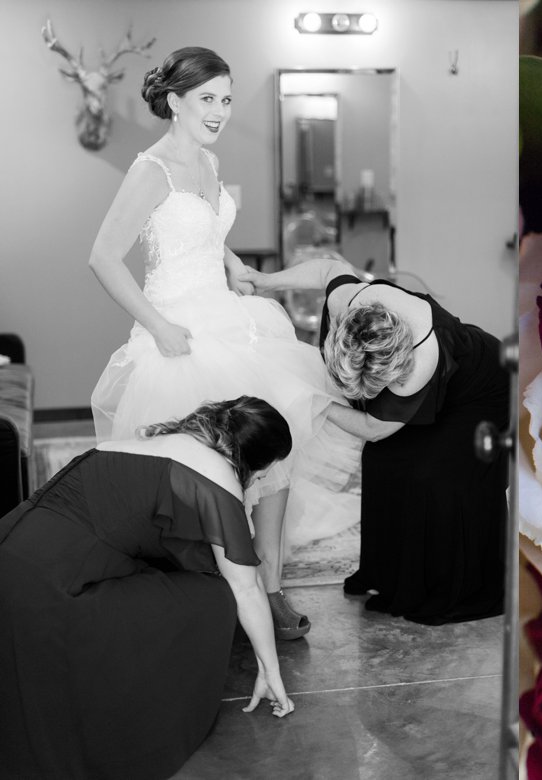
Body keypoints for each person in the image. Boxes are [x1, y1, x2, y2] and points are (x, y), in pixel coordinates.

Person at [88, 46, 353, 638]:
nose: (219, 111)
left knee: (275, 454)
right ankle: (215, 595)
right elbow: (103, 257)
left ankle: (273, 590)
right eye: (207, 99)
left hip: (232, 321)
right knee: (210, 470)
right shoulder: (148, 170)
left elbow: (202, 230)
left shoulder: (206, 162)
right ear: (175, 101)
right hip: (178, 330)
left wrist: (231, 262)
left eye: (227, 100)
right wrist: (157, 326)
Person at [0, 397, 296, 780]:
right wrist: (269, 669)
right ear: (251, 458)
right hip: (55, 598)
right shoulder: (218, 478)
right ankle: (140, 719)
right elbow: (246, 589)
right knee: (213, 598)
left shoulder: (143, 443)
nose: (259, 481)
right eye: (264, 472)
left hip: (11, 568)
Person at [242, 257, 509, 624]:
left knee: (433, 476)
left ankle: (450, 587)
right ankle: (389, 576)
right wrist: (264, 281)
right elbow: (328, 268)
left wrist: (313, 401)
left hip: (478, 392)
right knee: (382, 462)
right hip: (433, 379)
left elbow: (375, 427)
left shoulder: (418, 363)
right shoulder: (348, 301)